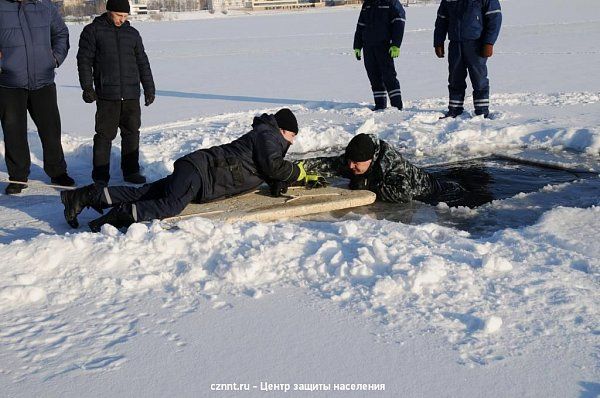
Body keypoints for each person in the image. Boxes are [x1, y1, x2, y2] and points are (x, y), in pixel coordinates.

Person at [61, 109, 317, 231]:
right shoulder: (267, 136)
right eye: (292, 136)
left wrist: (280, 180)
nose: (292, 142)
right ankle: (118, 216)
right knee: (169, 206)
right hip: (199, 172)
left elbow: (267, 168)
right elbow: (273, 166)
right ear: (282, 130)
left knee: (146, 192)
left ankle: (83, 196)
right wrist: (299, 173)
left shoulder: (266, 137)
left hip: (198, 171)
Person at [77, 0, 155, 186]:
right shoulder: (92, 31)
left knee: (131, 133)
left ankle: (131, 172)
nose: (122, 19)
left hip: (130, 94)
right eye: (119, 15)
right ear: (109, 11)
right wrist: (87, 87)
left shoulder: (132, 34)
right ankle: (101, 177)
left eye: (126, 16)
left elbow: (142, 62)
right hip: (107, 95)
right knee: (104, 135)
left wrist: (149, 88)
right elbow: (84, 61)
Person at [0, 0, 73, 194]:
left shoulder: (45, 6)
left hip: (43, 81)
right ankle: (18, 177)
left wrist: (55, 58)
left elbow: (61, 33)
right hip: (9, 82)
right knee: (13, 131)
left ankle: (58, 172)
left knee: (50, 129)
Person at [434, 0, 502, 119]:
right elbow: (441, 20)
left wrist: (489, 42)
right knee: (455, 78)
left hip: (476, 44)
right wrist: (438, 42)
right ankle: (454, 110)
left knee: (479, 78)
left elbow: (494, 18)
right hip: (455, 44)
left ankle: (481, 111)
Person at [353, 0, 406, 111]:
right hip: (368, 46)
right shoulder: (367, 4)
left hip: (384, 46)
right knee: (374, 76)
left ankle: (397, 106)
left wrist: (396, 44)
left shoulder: (392, 2)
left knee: (388, 76)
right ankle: (380, 105)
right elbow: (360, 25)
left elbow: (399, 22)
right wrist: (357, 45)